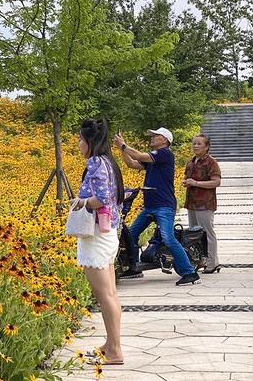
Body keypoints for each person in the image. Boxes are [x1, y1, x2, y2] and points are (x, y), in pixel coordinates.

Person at [114, 127, 201, 286]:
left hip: (164, 206)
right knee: (130, 234)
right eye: (152, 135)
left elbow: (139, 155)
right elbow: (131, 163)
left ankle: (189, 272)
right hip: (150, 206)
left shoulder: (164, 154)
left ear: (165, 140)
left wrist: (123, 145)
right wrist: (123, 150)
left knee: (168, 237)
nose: (152, 138)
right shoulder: (153, 159)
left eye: (156, 136)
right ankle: (134, 268)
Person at [71, 118, 124, 365]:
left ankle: (114, 351)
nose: (79, 144)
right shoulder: (108, 162)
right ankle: (110, 344)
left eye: (81, 140)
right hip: (108, 233)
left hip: (96, 236)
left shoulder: (95, 162)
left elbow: (101, 199)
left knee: (105, 296)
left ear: (90, 141)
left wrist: (80, 203)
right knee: (110, 293)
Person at [182, 133, 222, 273]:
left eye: (199, 143)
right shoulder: (191, 161)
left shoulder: (211, 162)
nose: (196, 146)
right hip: (192, 202)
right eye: (194, 143)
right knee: (194, 234)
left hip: (205, 203)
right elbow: (187, 177)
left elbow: (216, 182)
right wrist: (186, 182)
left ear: (207, 147)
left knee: (207, 233)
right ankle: (200, 260)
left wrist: (196, 183)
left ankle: (213, 262)